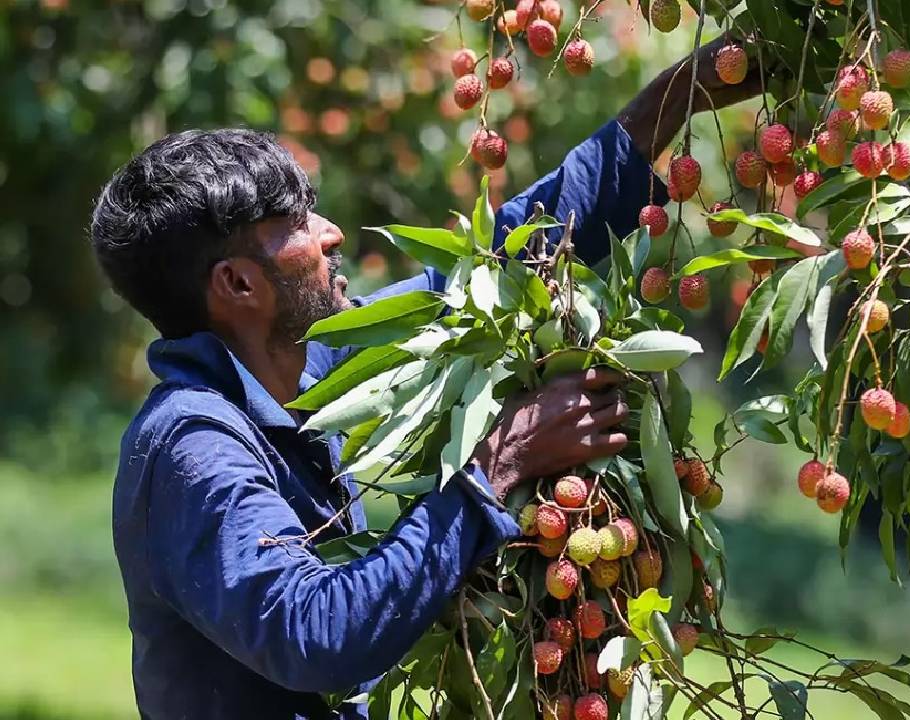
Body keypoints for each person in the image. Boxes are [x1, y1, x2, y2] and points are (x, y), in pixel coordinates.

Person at [90, 37, 765, 719]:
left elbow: (495, 270)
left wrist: (679, 93)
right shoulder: (192, 449)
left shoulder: (309, 370)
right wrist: (497, 466)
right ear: (237, 285)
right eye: (295, 223)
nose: (330, 234)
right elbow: (317, 634)